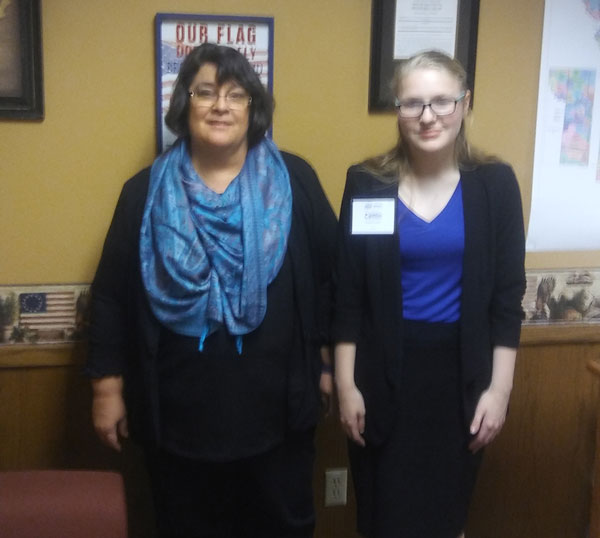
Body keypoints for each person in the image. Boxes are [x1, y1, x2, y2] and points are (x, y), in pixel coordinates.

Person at [85, 43, 336, 538]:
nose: (221, 105)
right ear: (185, 104)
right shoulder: (143, 193)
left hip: (279, 420)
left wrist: (329, 365)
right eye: (205, 92)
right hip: (179, 423)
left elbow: (333, 278)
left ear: (253, 108)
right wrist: (106, 389)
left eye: (236, 94)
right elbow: (112, 295)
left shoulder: (296, 181)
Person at [332, 50, 526, 538]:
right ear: (396, 109)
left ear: (465, 103)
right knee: (381, 519)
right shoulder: (367, 184)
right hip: (381, 377)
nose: (427, 116)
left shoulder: (495, 187)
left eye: (441, 101)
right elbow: (347, 295)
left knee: (444, 519)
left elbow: (507, 299)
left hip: (461, 381)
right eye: (412, 103)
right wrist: (346, 384)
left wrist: (499, 391)